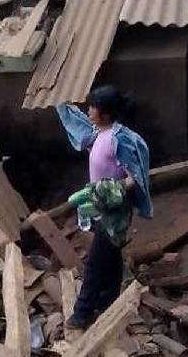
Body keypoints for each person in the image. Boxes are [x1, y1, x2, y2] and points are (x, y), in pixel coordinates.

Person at [56, 86, 152, 330]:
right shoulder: (99, 134)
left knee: (95, 262)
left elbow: (134, 178)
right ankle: (109, 300)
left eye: (93, 108)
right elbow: (83, 134)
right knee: (110, 255)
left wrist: (110, 188)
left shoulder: (119, 141)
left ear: (106, 114)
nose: (88, 111)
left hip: (115, 211)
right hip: (102, 206)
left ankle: (82, 313)